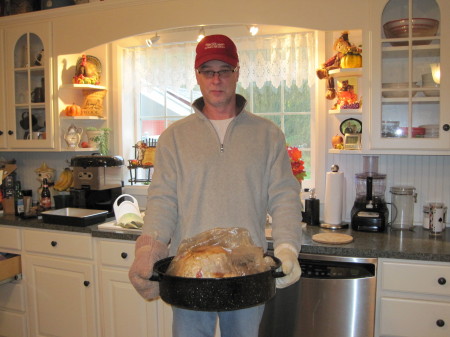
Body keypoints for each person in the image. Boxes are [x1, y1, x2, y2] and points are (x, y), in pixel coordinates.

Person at [129, 34, 302, 337]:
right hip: (189, 274)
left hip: (247, 272)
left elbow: (284, 197)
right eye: (208, 71)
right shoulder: (174, 138)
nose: (216, 79)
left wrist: (287, 248)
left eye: (224, 70)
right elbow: (162, 201)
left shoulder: (267, 134)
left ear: (238, 72)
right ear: (197, 76)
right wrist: (150, 250)